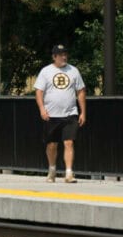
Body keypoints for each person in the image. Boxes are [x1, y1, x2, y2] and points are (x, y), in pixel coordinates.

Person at [34, 44, 86, 183]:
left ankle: (69, 173)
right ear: (54, 56)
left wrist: (83, 112)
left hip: (70, 113)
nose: (64, 57)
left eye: (65, 54)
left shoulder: (73, 71)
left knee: (69, 142)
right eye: (61, 54)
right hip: (51, 115)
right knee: (52, 145)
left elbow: (80, 91)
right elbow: (39, 91)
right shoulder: (46, 71)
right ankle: (52, 170)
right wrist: (41, 109)